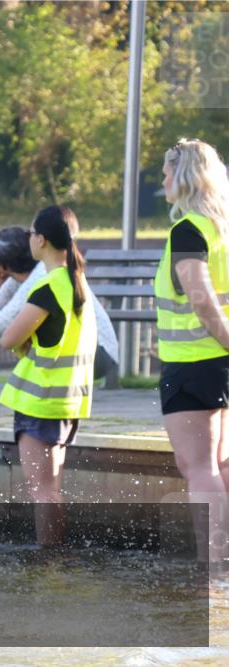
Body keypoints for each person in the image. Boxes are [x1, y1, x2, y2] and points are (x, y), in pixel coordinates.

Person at [0, 206, 97, 546]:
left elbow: (9, 338)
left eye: (30, 233)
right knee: (51, 488)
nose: (28, 239)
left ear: (41, 240)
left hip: (41, 401)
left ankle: (48, 562)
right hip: (68, 399)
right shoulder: (77, 281)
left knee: (42, 491)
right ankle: (55, 559)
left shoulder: (49, 287)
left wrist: (24, 346)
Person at [154, 139, 229, 563]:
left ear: (183, 177)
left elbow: (200, 297)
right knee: (219, 464)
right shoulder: (222, 228)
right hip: (218, 364)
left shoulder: (188, 229)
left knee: (198, 466)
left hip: (194, 362)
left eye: (167, 172)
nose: (162, 180)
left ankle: (212, 566)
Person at [0, 226, 118, 380]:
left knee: (20, 332)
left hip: (98, 354)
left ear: (3, 265)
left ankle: (39, 387)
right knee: (23, 328)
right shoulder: (21, 278)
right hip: (85, 351)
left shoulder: (40, 276)